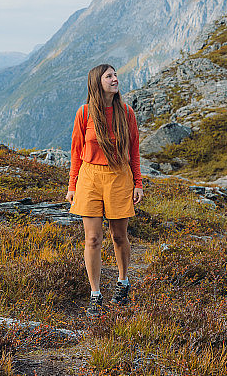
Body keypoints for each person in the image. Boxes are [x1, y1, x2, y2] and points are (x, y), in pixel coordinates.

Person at [66, 63, 144, 316]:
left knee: (119, 236)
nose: (115, 78)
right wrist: (72, 186)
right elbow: (76, 151)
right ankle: (95, 294)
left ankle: (123, 283)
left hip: (119, 176)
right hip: (89, 177)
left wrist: (138, 183)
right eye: (109, 76)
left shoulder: (126, 113)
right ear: (97, 82)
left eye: (115, 75)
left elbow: (134, 151)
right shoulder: (85, 112)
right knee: (92, 239)